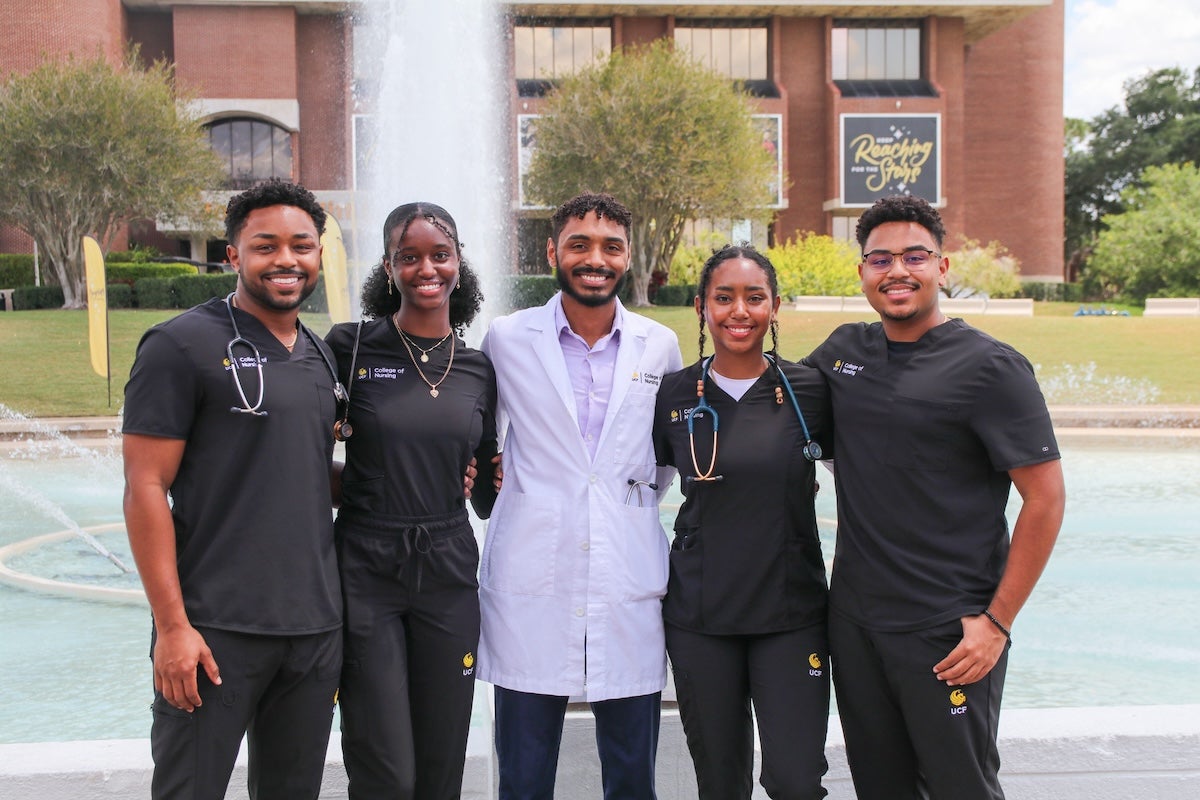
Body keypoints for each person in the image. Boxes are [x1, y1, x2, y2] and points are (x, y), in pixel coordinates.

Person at [804, 195, 1066, 800]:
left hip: (949, 632)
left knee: (961, 788)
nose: (897, 270)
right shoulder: (844, 351)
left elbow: (1045, 501)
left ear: (942, 268)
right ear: (863, 272)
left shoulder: (992, 368)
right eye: (880, 259)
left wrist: (997, 623)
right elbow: (773, 412)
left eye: (915, 256)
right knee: (881, 788)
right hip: (856, 624)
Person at [122, 178, 343, 800]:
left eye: (302, 245)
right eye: (265, 245)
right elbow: (145, 487)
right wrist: (171, 628)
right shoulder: (179, 345)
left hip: (312, 632)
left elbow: (310, 476)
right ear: (233, 255)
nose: (286, 260)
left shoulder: (320, 356)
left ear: (319, 254)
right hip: (212, 632)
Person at [478, 191, 683, 800]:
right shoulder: (509, 339)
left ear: (627, 258)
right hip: (532, 579)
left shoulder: (659, 346)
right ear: (553, 252)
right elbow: (483, 442)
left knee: (631, 777)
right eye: (579, 245)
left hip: (626, 579)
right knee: (523, 777)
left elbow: (658, 465)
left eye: (611, 247)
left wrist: (615, 501)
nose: (595, 258)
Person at [324, 202, 498, 800]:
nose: (427, 268)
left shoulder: (478, 368)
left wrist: (487, 479)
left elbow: (485, 492)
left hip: (449, 565)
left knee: (443, 757)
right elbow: (305, 451)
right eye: (410, 256)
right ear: (389, 266)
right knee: (385, 767)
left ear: (458, 262)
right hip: (366, 565)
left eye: (440, 255)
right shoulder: (349, 348)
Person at [652, 245, 832, 800]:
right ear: (702, 307)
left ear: (775, 307)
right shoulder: (675, 394)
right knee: (721, 783)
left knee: (797, 782)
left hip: (792, 614)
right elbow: (630, 479)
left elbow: (878, 466)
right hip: (701, 616)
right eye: (723, 297)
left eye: (754, 298)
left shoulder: (811, 391)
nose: (739, 311)